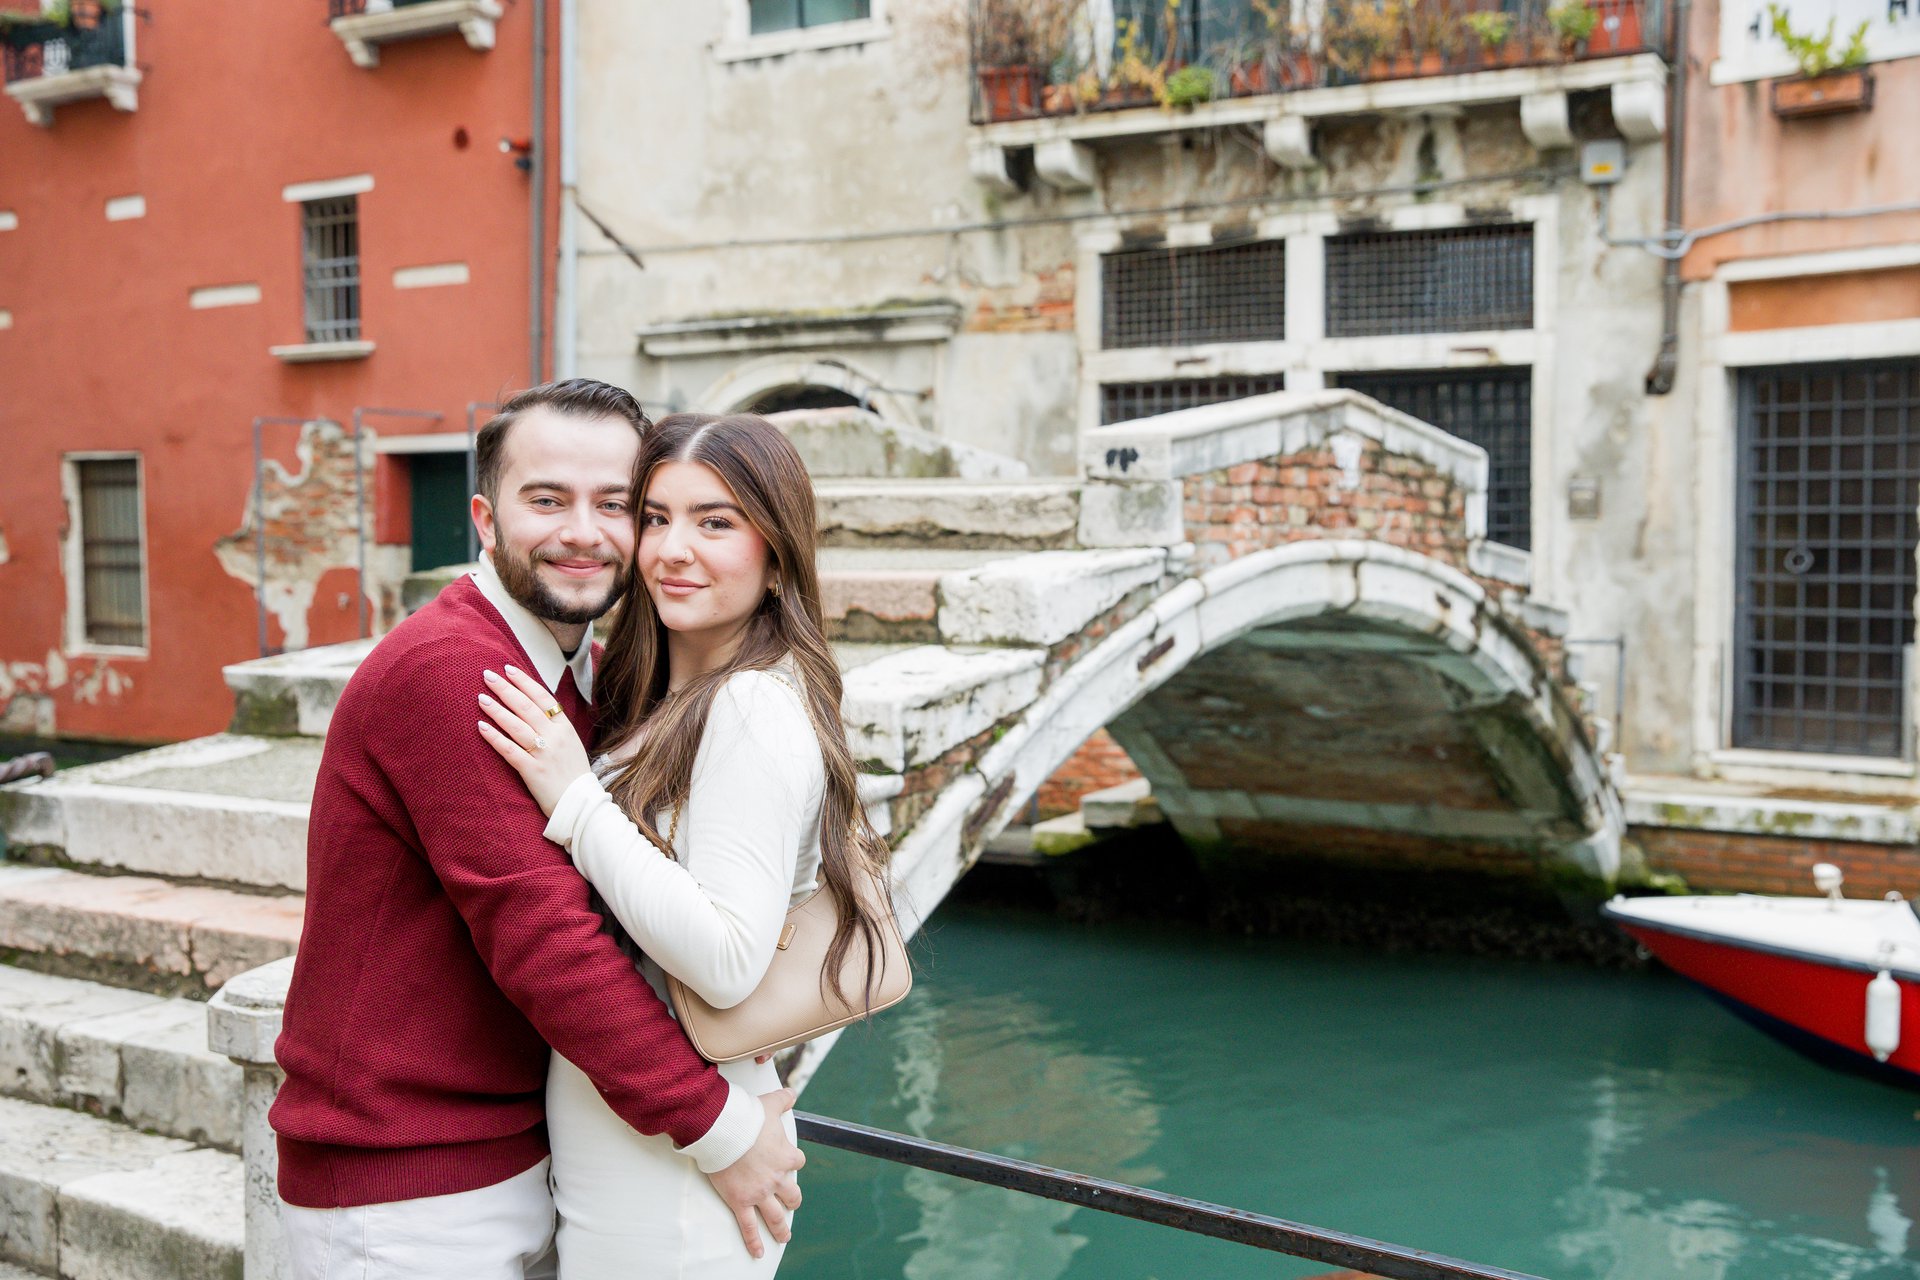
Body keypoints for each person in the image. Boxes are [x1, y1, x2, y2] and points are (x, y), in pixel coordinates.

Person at [271, 383, 805, 1280]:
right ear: (485, 517)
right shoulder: (454, 670)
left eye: (616, 505)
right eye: (547, 500)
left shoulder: (572, 666)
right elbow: (545, 937)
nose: (585, 533)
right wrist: (716, 1125)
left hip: (506, 1157)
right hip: (407, 1187)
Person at [474, 412, 896, 1278]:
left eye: (716, 522)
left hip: (670, 1182)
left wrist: (573, 795)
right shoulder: (668, 701)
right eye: (656, 516)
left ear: (776, 551)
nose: (672, 549)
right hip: (637, 1149)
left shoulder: (749, 708)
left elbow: (727, 958)